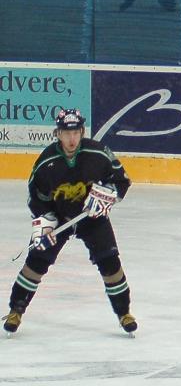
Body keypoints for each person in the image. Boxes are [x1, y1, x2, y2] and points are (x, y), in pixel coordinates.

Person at [3, 108, 135, 335]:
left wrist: (107, 195)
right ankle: (16, 310)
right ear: (58, 134)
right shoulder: (46, 162)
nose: (71, 139)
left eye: (75, 133)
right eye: (66, 133)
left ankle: (124, 312)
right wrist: (45, 222)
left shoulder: (98, 153)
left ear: (82, 132)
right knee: (36, 261)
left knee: (110, 261)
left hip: (91, 217)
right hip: (59, 217)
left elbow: (121, 180)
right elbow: (36, 197)